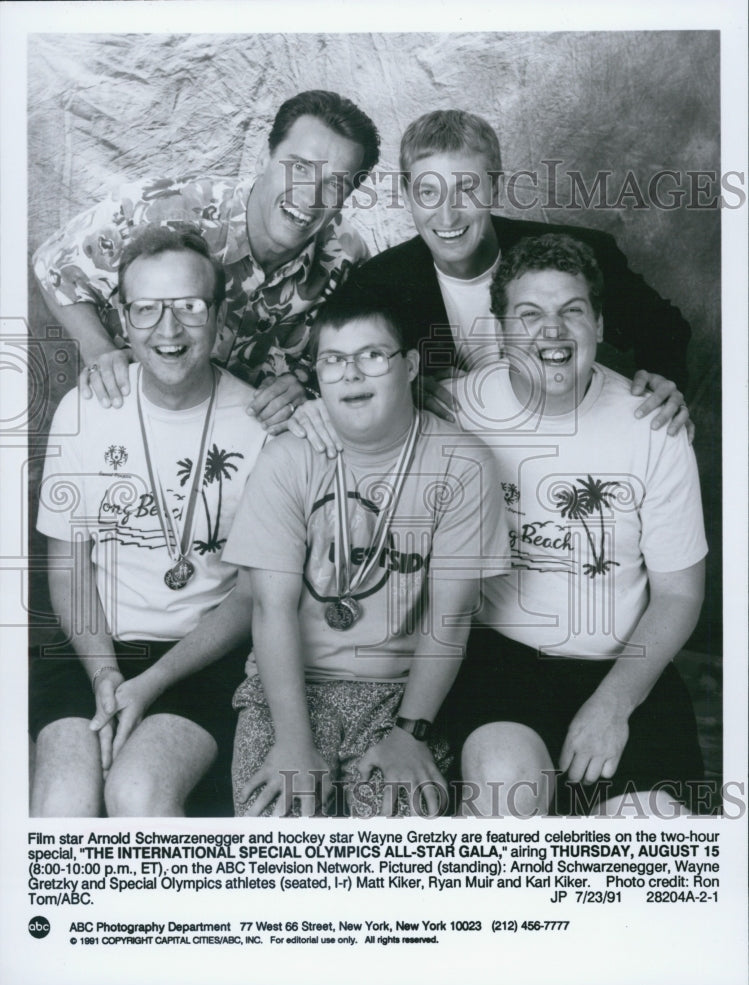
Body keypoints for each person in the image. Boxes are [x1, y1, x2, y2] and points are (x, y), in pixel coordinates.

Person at [222, 282, 509, 817]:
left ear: (410, 366)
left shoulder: (462, 463)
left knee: (392, 860)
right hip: (285, 690)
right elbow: (270, 607)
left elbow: (451, 614)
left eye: (372, 355)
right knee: (277, 845)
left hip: (398, 695)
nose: (350, 374)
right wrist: (292, 741)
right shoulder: (288, 458)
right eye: (332, 361)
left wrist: (411, 730)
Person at [446, 234, 707, 817]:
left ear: (600, 324)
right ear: (500, 329)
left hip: (626, 666)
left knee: (655, 833)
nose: (552, 332)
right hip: (500, 664)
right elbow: (347, 418)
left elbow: (681, 593)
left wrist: (612, 707)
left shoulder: (653, 426)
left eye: (572, 311)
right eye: (530, 314)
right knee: (503, 790)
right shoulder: (450, 410)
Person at [30, 227, 266, 816]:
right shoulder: (84, 410)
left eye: (188, 306)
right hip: (91, 645)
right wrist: (106, 672)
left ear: (218, 314)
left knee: (138, 792)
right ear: (121, 317)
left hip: (205, 657)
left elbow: (252, 594)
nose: (168, 329)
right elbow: (69, 567)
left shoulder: (260, 423)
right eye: (146, 308)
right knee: (63, 800)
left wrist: (152, 681)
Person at [32, 90, 380, 431]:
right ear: (264, 157)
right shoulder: (161, 208)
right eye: (299, 167)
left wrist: (305, 385)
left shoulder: (348, 259)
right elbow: (53, 267)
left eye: (335, 184)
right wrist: (98, 350)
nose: (309, 196)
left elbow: (345, 355)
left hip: (241, 446)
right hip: (131, 418)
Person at [351, 108, 692, 437]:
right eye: (428, 192)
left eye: (466, 190)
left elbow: (665, 330)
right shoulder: (377, 286)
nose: (447, 216)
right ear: (406, 196)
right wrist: (398, 391)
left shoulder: (578, 254)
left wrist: (662, 379)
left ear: (495, 187)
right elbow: (355, 379)